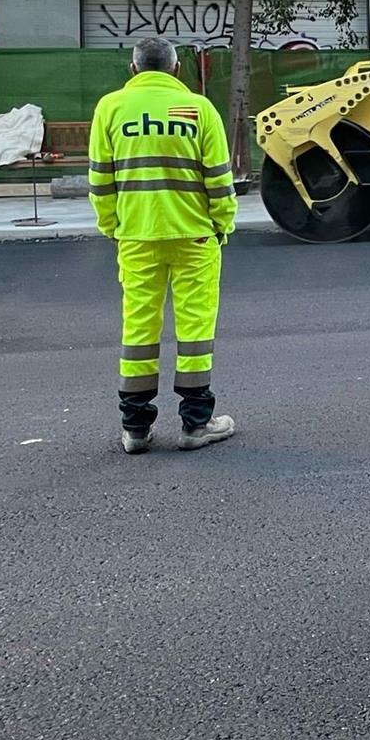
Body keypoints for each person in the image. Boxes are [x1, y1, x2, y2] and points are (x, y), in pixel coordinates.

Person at [89, 36, 238, 454]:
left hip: (137, 236)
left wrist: (112, 226)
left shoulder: (111, 108)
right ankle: (196, 424)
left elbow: (102, 179)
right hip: (194, 236)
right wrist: (222, 225)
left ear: (133, 69)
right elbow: (219, 180)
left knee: (138, 329)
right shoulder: (198, 109)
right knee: (194, 330)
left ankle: (135, 429)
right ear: (176, 70)